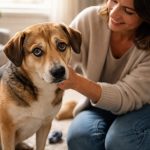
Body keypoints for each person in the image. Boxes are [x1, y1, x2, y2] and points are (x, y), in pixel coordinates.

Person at [57, 0, 150, 150]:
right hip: (99, 105)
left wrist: (78, 82)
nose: (113, 13)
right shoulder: (89, 20)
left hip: (143, 106)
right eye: (114, 1)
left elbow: (125, 97)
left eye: (128, 11)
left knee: (120, 142)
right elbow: (60, 58)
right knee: (80, 140)